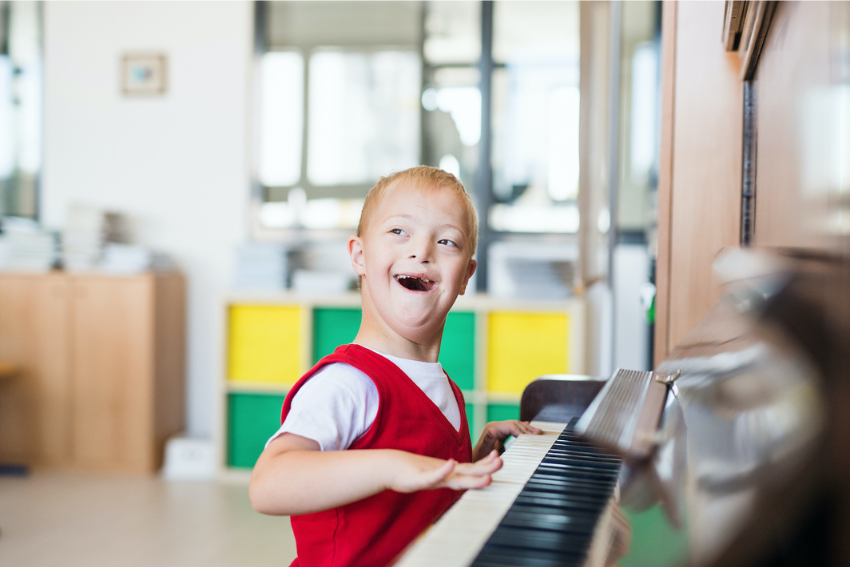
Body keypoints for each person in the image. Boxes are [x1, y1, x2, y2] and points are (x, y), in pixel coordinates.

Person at [249, 166, 540, 567]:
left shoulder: (445, 388)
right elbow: (267, 485)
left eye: (447, 241)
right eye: (399, 232)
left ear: (465, 277)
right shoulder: (347, 382)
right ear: (360, 256)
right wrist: (389, 466)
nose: (422, 250)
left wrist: (473, 459)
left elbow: (422, 505)